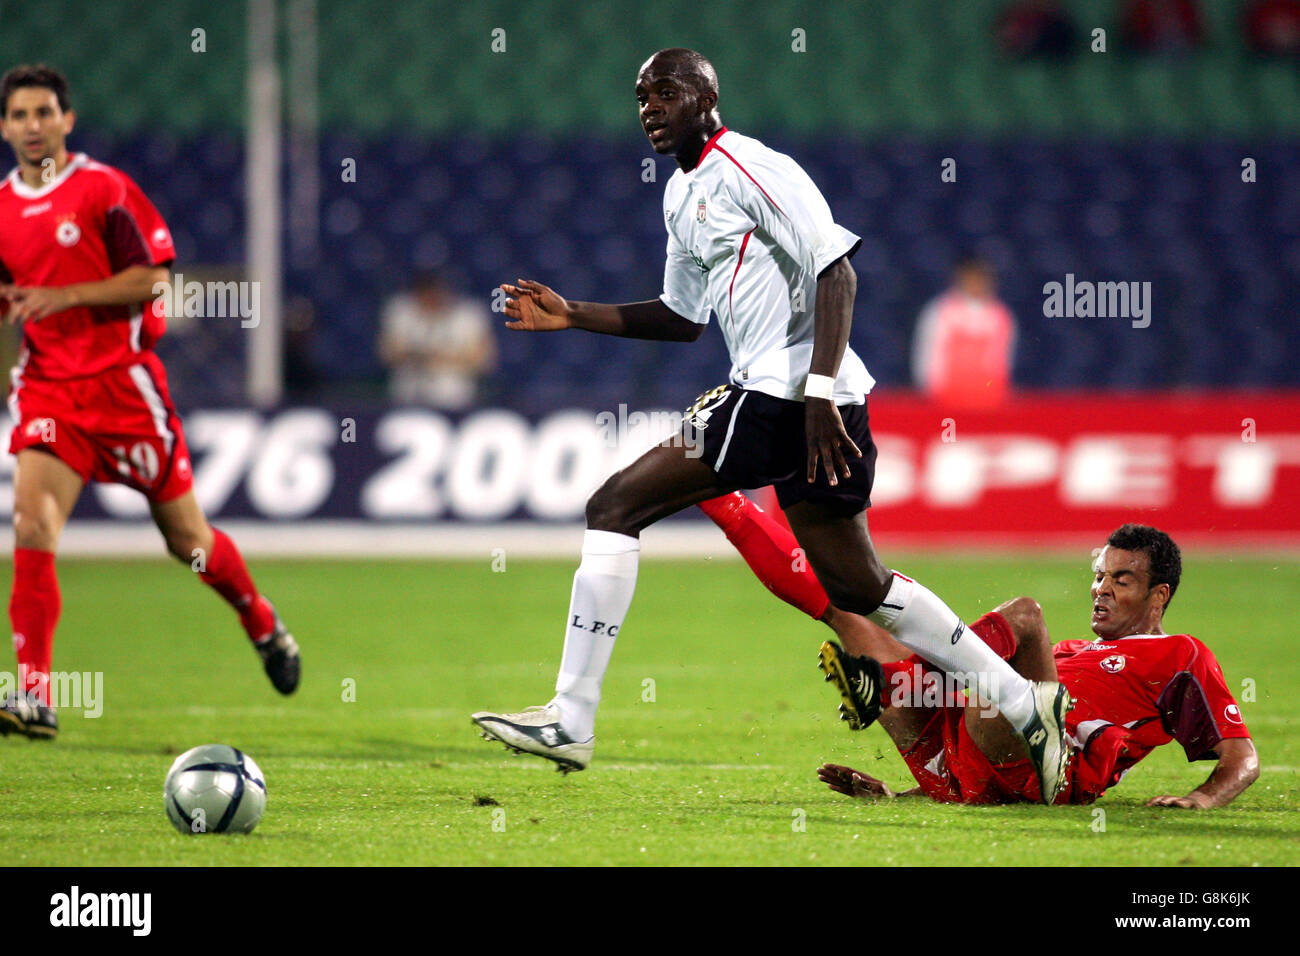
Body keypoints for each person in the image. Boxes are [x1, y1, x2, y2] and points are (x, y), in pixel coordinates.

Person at [471, 48, 1072, 804]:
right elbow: (684, 319)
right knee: (859, 583)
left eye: (664, 92)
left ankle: (573, 716)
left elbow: (837, 269)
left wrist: (817, 393)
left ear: (706, 96)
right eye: (639, 97)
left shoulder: (751, 166)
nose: (648, 108)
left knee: (614, 506)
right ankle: (1025, 702)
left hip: (785, 393)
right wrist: (575, 314)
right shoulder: (679, 195)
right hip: (800, 399)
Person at [0, 65, 300, 739]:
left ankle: (260, 621)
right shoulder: (0, 210)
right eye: (19, 115)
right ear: (4, 127)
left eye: (44, 111)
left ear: (67, 120)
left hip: (124, 390)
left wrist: (69, 295)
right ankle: (35, 695)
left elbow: (155, 280)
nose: (33, 125)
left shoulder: (103, 189)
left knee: (188, 542)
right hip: (50, 390)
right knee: (31, 526)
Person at [816, 525, 1259, 807]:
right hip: (972, 771)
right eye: (1099, 576)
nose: (1101, 589)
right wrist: (897, 797)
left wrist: (1201, 799)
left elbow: (1243, 759)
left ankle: (893, 683)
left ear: (1158, 595)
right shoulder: (1068, 651)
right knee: (848, 609)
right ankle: (742, 509)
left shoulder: (1180, 655)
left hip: (1053, 765)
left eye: (1120, 581)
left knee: (1024, 616)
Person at [377, 272, 496, 410]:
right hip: (407, 394)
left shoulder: (469, 314)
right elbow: (388, 354)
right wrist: (436, 357)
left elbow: (483, 360)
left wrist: (433, 358)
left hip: (455, 396)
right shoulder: (400, 310)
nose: (431, 299)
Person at [910, 255, 1016, 410]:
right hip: (945, 396)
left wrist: (997, 389)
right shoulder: (941, 310)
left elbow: (1002, 358)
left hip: (987, 398)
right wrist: (928, 388)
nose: (976, 283)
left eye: (981, 278)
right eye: (971, 278)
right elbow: (927, 351)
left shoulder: (1000, 315)